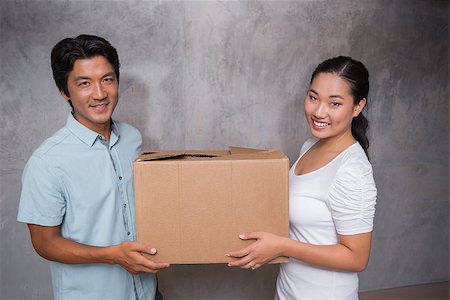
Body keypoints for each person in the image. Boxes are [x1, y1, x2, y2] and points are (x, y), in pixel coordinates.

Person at [17, 34, 169, 300]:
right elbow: (44, 243)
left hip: (147, 291)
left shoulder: (132, 139)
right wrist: (112, 256)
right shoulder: (47, 162)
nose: (100, 94)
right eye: (84, 83)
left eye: (107, 79)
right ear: (65, 91)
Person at [227, 56, 377, 300]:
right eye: (313, 97)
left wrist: (282, 246)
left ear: (358, 107)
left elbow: (357, 258)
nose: (318, 111)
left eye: (334, 103)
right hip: (289, 290)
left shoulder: (352, 170)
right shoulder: (310, 146)